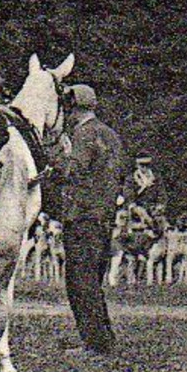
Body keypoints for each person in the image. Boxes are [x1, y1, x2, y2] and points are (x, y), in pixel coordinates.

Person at [56, 83, 125, 354]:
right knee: (93, 281)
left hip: (81, 216)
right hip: (103, 216)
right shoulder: (110, 135)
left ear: (72, 108)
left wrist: (55, 157)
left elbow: (73, 170)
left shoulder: (83, 134)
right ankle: (101, 338)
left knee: (80, 282)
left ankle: (95, 344)